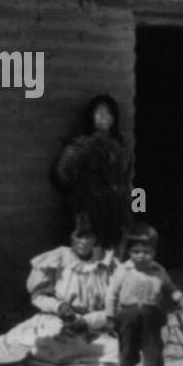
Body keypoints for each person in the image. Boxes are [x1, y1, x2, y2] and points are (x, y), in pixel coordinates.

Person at [3, 216, 120, 366]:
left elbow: (118, 305)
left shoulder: (107, 262)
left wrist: (91, 320)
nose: (83, 242)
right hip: (60, 320)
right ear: (71, 237)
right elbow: (38, 296)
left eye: (88, 236)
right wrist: (59, 306)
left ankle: (70, 355)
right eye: (79, 236)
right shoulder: (57, 258)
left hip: (96, 325)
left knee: (117, 349)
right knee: (38, 343)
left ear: (95, 239)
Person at [104, 223, 183, 366]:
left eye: (146, 252)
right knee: (127, 350)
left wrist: (180, 297)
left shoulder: (158, 270)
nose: (141, 256)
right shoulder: (123, 270)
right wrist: (110, 318)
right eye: (136, 252)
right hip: (127, 317)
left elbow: (170, 287)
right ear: (129, 253)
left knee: (154, 351)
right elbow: (111, 294)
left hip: (151, 318)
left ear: (154, 253)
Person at [53, 94, 134, 251]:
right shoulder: (80, 146)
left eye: (109, 113)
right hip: (90, 209)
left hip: (118, 209)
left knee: (116, 253)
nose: (105, 117)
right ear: (91, 116)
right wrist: (83, 195)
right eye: (100, 113)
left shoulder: (122, 145)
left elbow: (128, 177)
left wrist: (134, 207)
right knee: (91, 253)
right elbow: (61, 174)